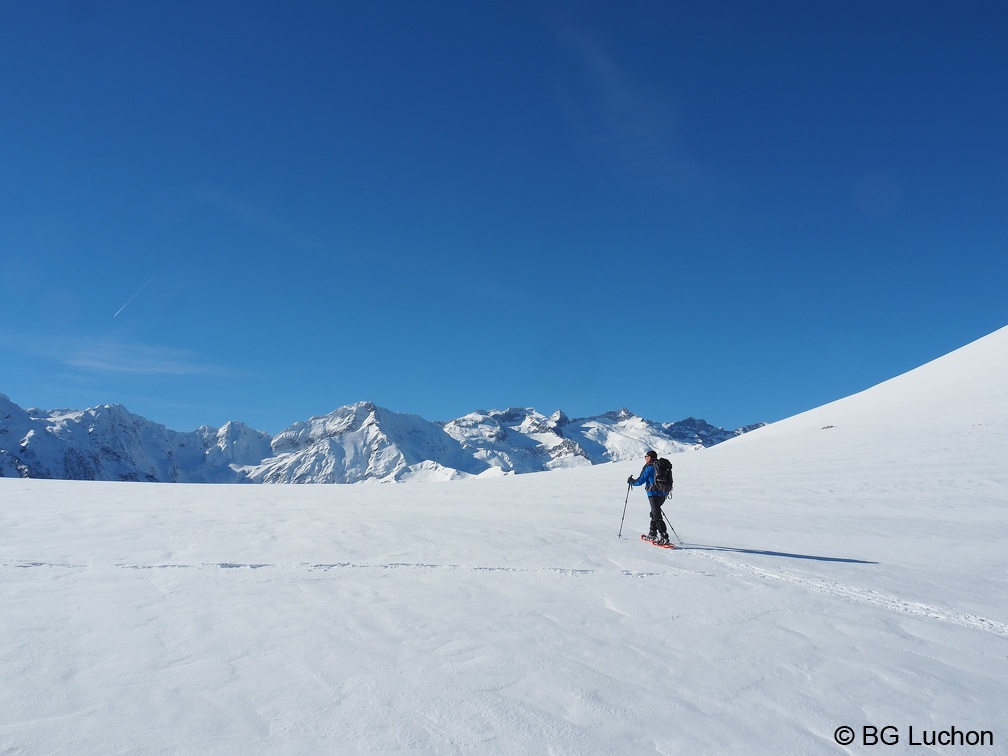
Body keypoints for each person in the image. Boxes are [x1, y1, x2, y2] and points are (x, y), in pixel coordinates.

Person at [627, 450, 669, 545]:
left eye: (646, 456)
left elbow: (640, 481)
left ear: (649, 457)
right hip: (664, 493)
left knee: (657, 515)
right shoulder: (661, 466)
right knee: (654, 513)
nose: (645, 458)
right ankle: (652, 533)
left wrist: (631, 481)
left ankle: (664, 537)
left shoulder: (650, 467)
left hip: (653, 493)